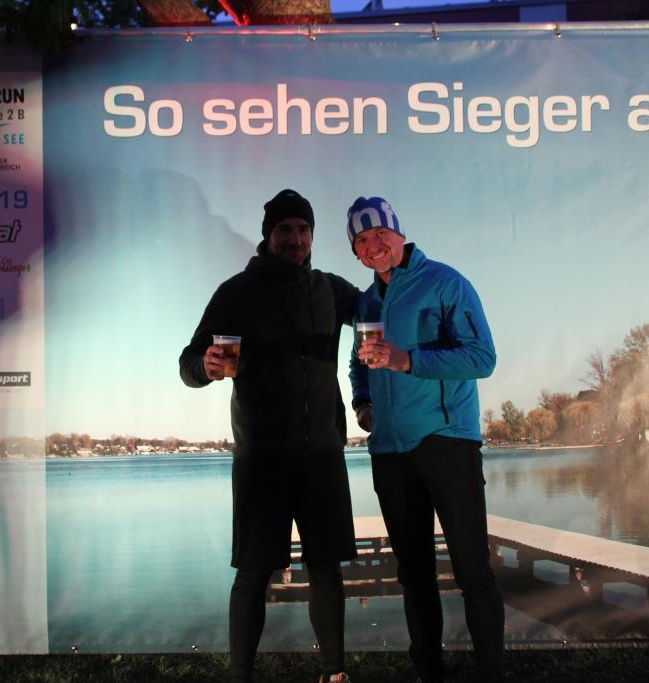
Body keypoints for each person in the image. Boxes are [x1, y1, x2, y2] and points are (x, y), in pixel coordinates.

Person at [179, 189, 359, 683]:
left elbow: (380, 309)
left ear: (313, 236)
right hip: (262, 458)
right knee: (254, 571)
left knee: (326, 567)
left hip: (322, 454)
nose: (295, 239)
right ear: (268, 236)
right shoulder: (236, 292)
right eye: (285, 230)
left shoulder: (333, 290)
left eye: (303, 230)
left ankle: (334, 673)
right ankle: (241, 675)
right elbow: (189, 362)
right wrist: (205, 366)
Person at [346, 196, 504, 682]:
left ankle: (491, 675)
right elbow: (357, 363)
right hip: (390, 454)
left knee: (472, 571)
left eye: (381, 234)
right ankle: (429, 673)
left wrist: (408, 360)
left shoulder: (446, 282)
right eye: (362, 240)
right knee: (414, 576)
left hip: (447, 441)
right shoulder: (366, 302)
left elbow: (482, 358)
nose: (374, 246)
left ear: (399, 234)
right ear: (355, 251)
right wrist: (363, 403)